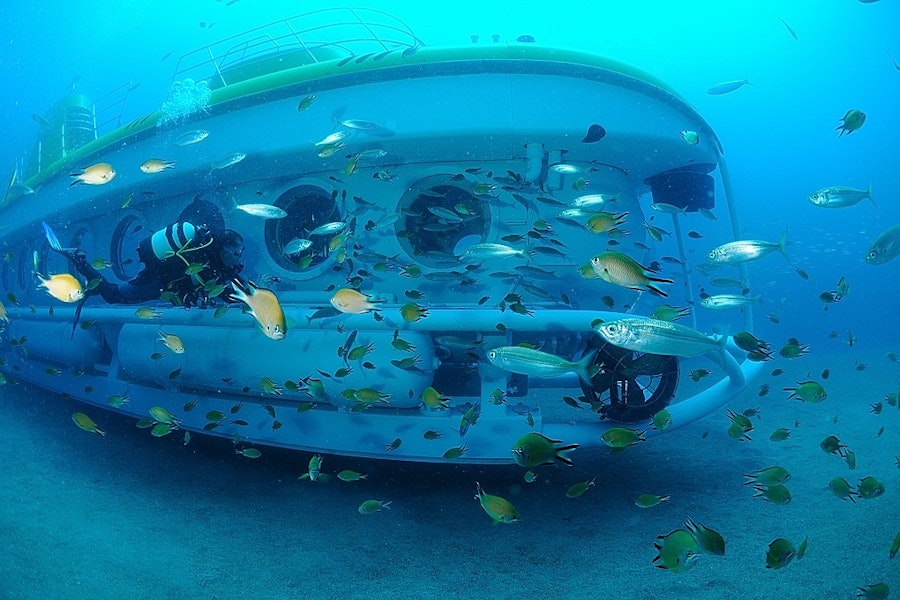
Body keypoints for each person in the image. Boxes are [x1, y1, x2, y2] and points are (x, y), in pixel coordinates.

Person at [49, 197, 245, 308]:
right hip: (156, 280)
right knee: (113, 295)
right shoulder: (207, 258)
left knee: (113, 293)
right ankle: (79, 259)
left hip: (163, 277)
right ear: (224, 249)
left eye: (241, 252)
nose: (239, 257)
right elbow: (214, 288)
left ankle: (90, 284)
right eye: (236, 253)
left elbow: (225, 287)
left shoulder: (213, 258)